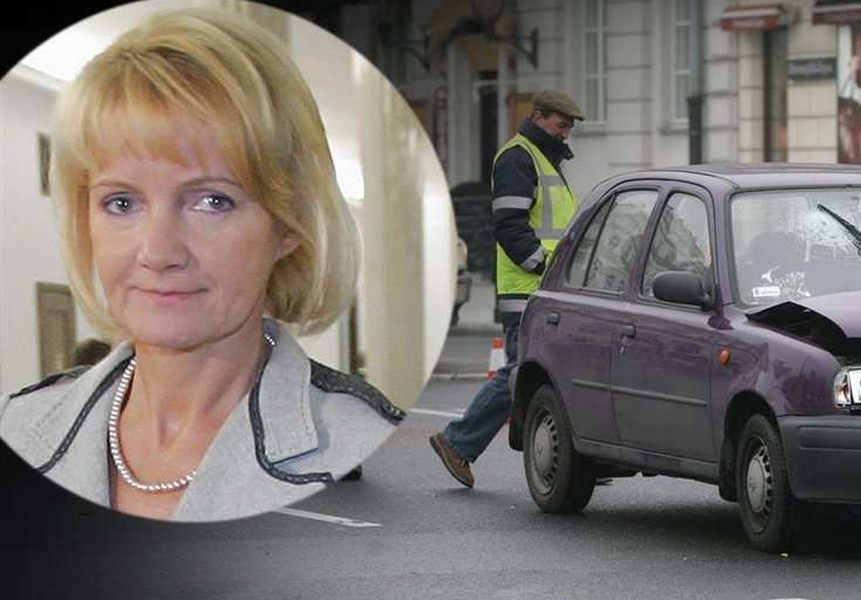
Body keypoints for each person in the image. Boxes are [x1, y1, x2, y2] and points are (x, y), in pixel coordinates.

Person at [0, 8, 403, 522]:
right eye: (122, 203)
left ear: (287, 226)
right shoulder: (21, 424)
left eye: (212, 201)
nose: (159, 252)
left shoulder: (364, 440)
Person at [429, 91, 582, 488]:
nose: (566, 135)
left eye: (569, 128)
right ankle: (457, 442)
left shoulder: (540, 157)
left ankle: (573, 457)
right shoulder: (519, 157)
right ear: (539, 118)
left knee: (546, 372)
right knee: (519, 372)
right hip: (530, 290)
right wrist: (545, 267)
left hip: (546, 290)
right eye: (561, 125)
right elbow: (510, 225)